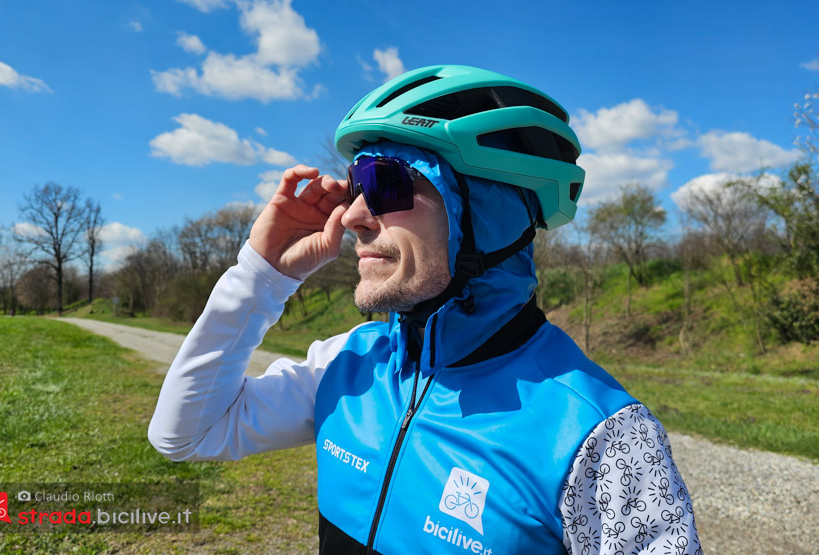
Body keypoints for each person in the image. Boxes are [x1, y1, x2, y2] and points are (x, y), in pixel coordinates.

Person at [149, 64, 701, 555]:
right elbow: (187, 433)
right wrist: (260, 274)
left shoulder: (599, 436)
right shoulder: (353, 361)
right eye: (356, 186)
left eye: (388, 183)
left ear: (487, 216)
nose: (352, 217)